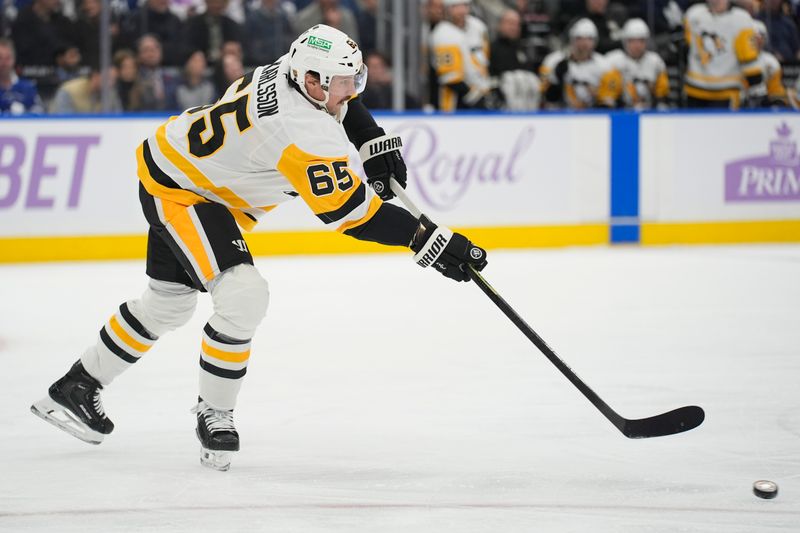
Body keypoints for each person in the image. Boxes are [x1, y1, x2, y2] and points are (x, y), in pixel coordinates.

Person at [30, 24, 488, 472]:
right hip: (186, 192)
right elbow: (352, 215)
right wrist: (426, 239)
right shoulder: (299, 130)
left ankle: (75, 386)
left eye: (354, 80)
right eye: (342, 85)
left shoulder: (290, 69)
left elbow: (342, 106)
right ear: (311, 81)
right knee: (244, 295)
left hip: (180, 169)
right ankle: (215, 413)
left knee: (167, 306)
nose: (350, 92)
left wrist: (368, 139)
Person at [683, 0, 761, 109]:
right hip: (695, 87)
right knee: (693, 126)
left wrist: (756, 86)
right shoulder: (694, 14)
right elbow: (686, 45)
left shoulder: (741, 19)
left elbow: (747, 56)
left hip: (727, 89)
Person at [540, 17, 621, 109]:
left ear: (595, 41)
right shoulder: (553, 61)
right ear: (572, 40)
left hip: (592, 116)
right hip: (561, 115)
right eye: (579, 39)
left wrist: (598, 96)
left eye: (589, 39)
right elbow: (546, 99)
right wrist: (556, 80)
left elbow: (608, 105)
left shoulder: (606, 67)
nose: (584, 43)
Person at [430, 0, 491, 112]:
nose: (461, 10)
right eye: (455, 6)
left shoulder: (478, 27)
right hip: (456, 102)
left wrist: (487, 90)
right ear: (447, 9)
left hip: (481, 92)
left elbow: (484, 60)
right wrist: (475, 97)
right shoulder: (442, 34)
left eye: (465, 5)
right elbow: (450, 78)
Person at [605, 18, 670, 110]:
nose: (637, 45)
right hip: (623, 112)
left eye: (641, 41)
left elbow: (662, 97)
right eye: (632, 41)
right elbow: (608, 98)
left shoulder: (656, 62)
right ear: (625, 41)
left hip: (650, 112)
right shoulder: (614, 61)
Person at [749, 19, 787, 108]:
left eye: (761, 37)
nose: (758, 41)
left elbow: (776, 91)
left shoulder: (771, 62)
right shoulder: (734, 60)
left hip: (762, 103)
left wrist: (777, 104)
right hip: (739, 102)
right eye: (753, 37)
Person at [0, 38, 44, 115]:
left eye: (8, 58)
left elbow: (39, 113)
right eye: (0, 58)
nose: (4, 63)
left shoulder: (28, 87)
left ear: (14, 59)